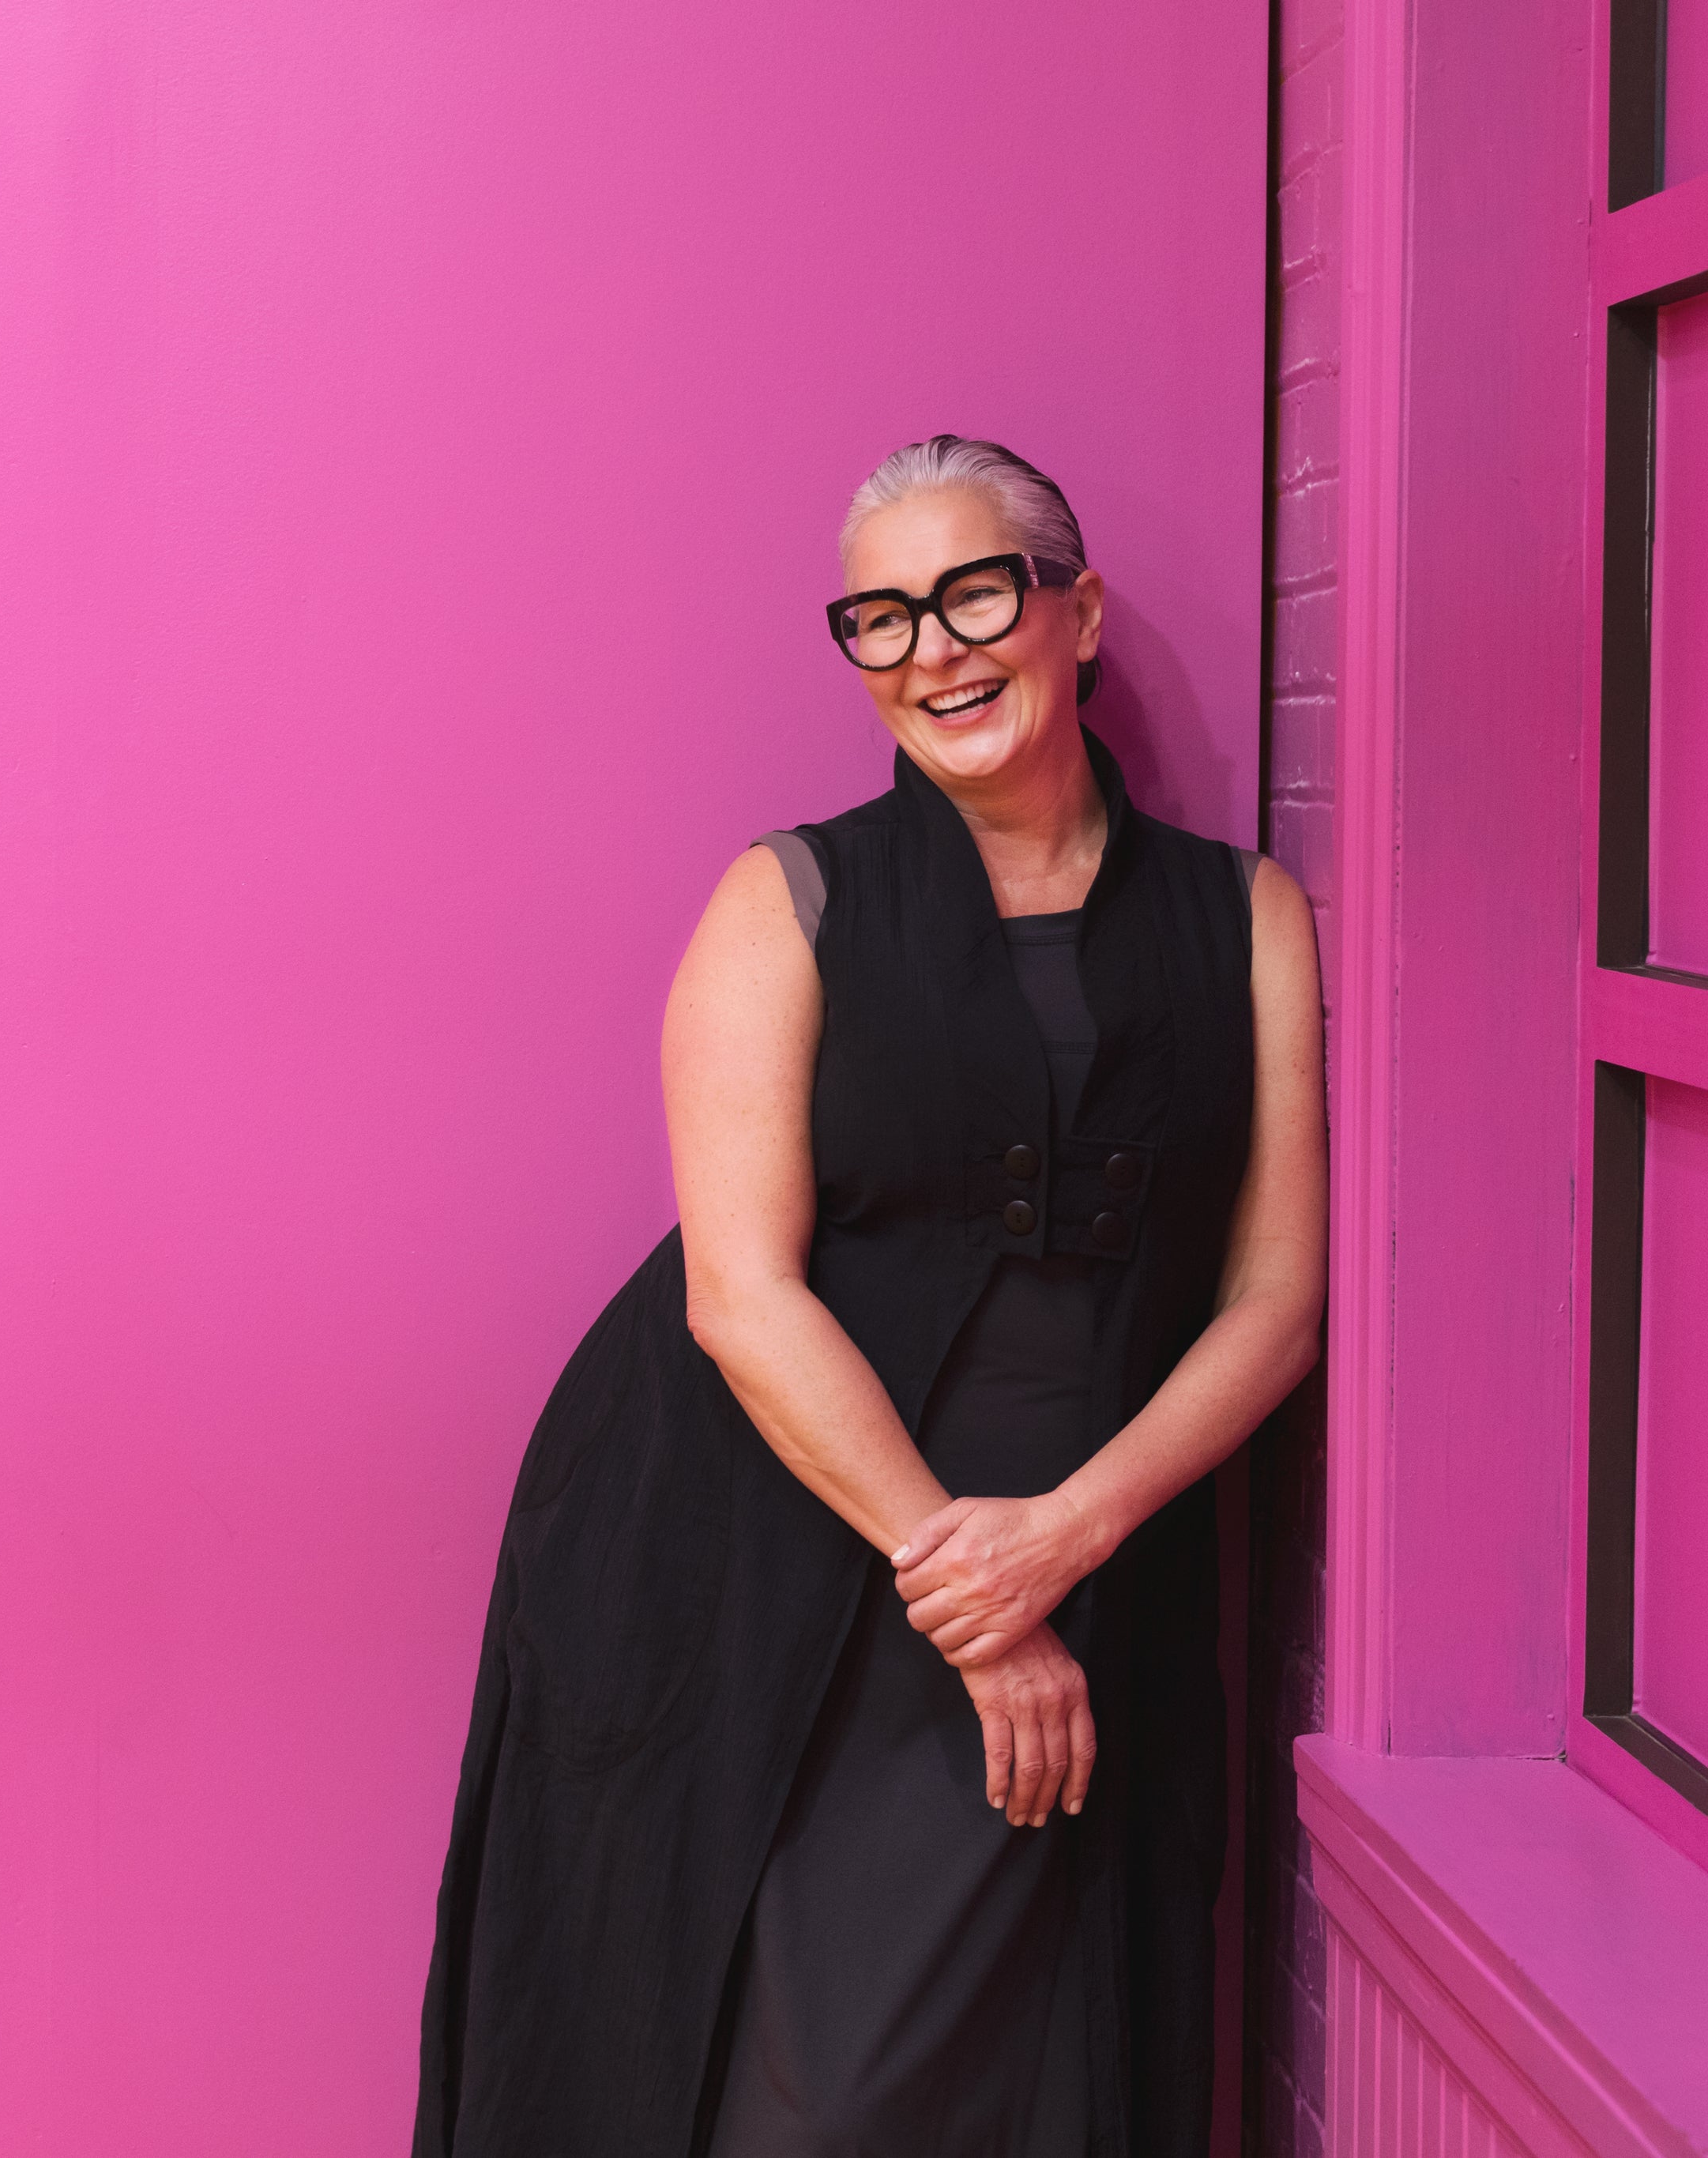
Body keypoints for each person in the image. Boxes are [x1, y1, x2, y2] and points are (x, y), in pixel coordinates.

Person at [412, 435, 1327, 2158]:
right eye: (878, 618)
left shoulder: (1244, 919)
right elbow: (738, 1295)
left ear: (1076, 612)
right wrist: (977, 1597)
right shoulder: (785, 901)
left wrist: (1059, 1539)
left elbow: (1271, 1306)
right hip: (771, 1574)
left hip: (1087, 1568)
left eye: (972, 592)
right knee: (784, 2089)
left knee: (1043, 2092)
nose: (929, 649)